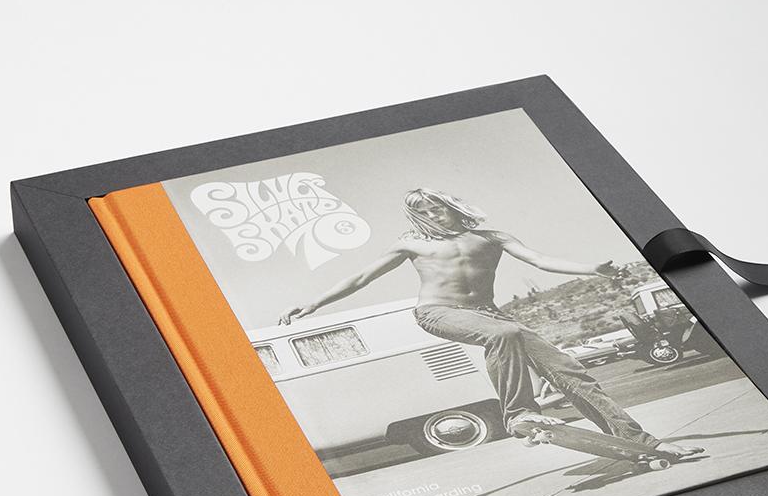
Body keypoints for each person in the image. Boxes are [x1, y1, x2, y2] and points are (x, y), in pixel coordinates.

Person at [279, 189, 698, 458]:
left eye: (437, 208)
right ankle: (518, 413)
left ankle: (642, 442)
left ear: (451, 206)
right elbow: (361, 278)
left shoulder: (493, 238)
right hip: (438, 313)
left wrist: (592, 269)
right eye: (424, 212)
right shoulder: (412, 243)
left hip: (490, 314)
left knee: (572, 372)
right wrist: (312, 303)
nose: (433, 216)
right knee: (506, 333)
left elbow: (539, 260)